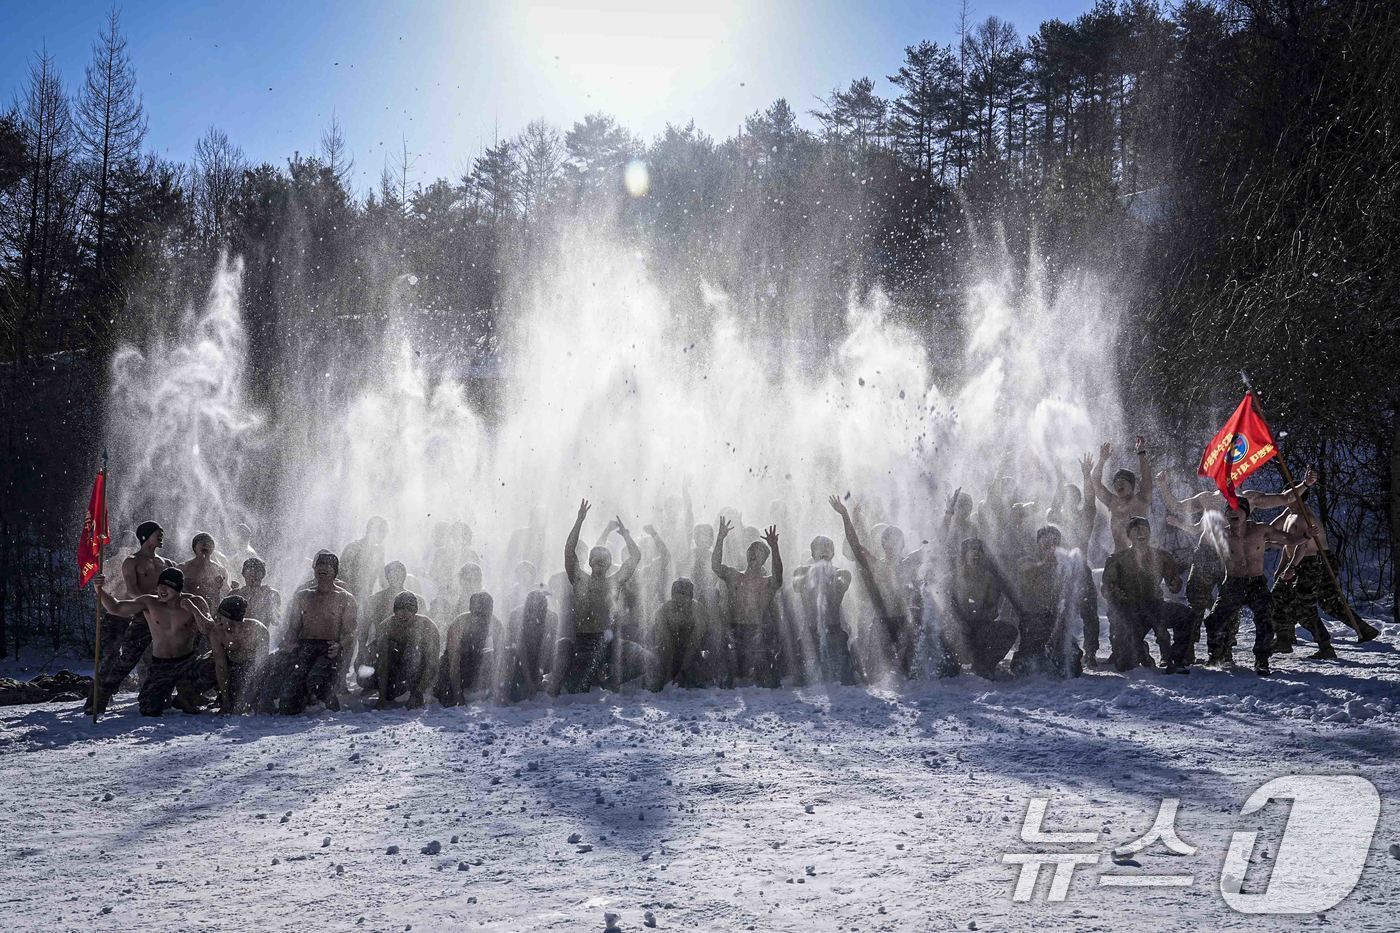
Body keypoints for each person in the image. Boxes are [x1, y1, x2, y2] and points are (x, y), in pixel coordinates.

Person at [1194, 499, 1316, 675]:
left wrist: (1306, 535)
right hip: (1233, 583)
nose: (1233, 513)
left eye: (1238, 510)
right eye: (1230, 510)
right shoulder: (1222, 533)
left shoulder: (1260, 529)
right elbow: (1200, 539)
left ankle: (1261, 660)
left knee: (1265, 619)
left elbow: (1288, 539)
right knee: (1214, 620)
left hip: (1256, 582)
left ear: (1246, 513)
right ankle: (1217, 656)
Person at [91, 567, 216, 716]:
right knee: (149, 709)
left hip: (187, 663)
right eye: (160, 585)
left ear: (178, 589)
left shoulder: (194, 601)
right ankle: (171, 694)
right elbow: (115, 608)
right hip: (161, 666)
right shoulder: (149, 602)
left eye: (167, 586)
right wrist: (99, 590)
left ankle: (187, 694)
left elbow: (209, 629)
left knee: (215, 665)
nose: (161, 589)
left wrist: (194, 610)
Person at [88, 520, 176, 715]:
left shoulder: (168, 564)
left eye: (162, 533)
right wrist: (153, 602)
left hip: (164, 619)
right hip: (143, 616)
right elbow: (133, 591)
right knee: (126, 660)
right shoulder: (132, 561)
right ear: (145, 536)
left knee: (162, 660)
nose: (161, 536)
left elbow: (177, 589)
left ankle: (159, 697)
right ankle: (99, 698)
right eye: (157, 533)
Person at [1271, 502, 1379, 656]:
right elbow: (1274, 529)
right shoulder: (1289, 513)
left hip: (1319, 559)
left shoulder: (1305, 517)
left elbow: (1302, 544)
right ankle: (1286, 636)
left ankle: (1358, 630)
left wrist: (1291, 566)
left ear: (1296, 497)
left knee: (1323, 602)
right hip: (1299, 561)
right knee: (1285, 596)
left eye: (1288, 495)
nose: (1284, 498)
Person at [559, 500, 642, 693]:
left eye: (604, 561)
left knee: (646, 659)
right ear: (589, 562)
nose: (600, 564)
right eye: (596, 560)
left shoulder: (614, 582)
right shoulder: (579, 579)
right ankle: (595, 674)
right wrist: (579, 521)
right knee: (579, 686)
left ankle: (610, 678)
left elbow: (635, 557)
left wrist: (627, 536)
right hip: (585, 641)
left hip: (608, 641)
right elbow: (569, 550)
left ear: (609, 564)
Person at [829, 495, 915, 677]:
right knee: (874, 675)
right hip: (882, 623)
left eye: (897, 540)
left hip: (904, 624)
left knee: (909, 674)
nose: (892, 544)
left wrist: (948, 514)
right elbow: (854, 544)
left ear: (903, 544)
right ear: (883, 544)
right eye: (889, 540)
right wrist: (845, 515)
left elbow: (937, 548)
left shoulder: (908, 564)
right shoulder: (876, 566)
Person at [1099, 517, 1193, 674]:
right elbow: (1105, 588)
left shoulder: (1162, 557)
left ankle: (1177, 658)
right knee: (1124, 664)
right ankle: (1140, 650)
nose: (1141, 532)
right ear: (1129, 535)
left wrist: (1175, 583)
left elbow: (1175, 585)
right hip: (1129, 610)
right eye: (1136, 529)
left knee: (1186, 614)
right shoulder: (1117, 560)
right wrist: (1115, 592)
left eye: (1144, 528)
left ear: (1149, 532)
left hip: (1155, 606)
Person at [278, 551, 357, 713]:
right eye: (319, 565)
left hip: (328, 649)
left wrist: (339, 645)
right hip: (305, 647)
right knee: (287, 703)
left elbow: (350, 633)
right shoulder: (302, 596)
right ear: (314, 570)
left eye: (327, 565)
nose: (322, 568)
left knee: (315, 680)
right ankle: (304, 697)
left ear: (335, 571)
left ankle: (330, 703)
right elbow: (293, 628)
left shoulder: (345, 598)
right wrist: (288, 643)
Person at [712, 518, 783, 687]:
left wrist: (775, 548)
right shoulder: (734, 576)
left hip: (756, 631)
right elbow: (715, 566)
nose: (753, 553)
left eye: (758, 551)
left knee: (767, 679)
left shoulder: (767, 583)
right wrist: (720, 538)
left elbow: (779, 576)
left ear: (764, 558)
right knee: (725, 678)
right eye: (751, 550)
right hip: (734, 629)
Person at [942, 538, 1021, 679]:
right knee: (943, 633)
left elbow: (992, 609)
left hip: (981, 628)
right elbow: (947, 606)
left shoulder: (989, 578)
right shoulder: (953, 577)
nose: (975, 552)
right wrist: (960, 622)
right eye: (972, 549)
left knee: (1009, 631)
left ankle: (984, 665)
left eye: (978, 549)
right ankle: (952, 668)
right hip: (960, 630)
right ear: (964, 554)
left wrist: (987, 614)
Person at [1013, 526, 1082, 677]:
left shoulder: (1066, 564)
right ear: (1038, 542)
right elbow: (1026, 573)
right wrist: (1046, 563)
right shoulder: (1027, 560)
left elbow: (1083, 598)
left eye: (1054, 539)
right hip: (1034, 622)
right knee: (1024, 667)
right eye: (1046, 539)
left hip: (1057, 623)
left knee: (1073, 663)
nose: (1051, 542)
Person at [791, 535, 855, 685]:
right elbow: (796, 586)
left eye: (828, 547)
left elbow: (841, 584)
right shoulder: (800, 571)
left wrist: (826, 575)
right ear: (812, 553)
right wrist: (815, 574)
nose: (824, 550)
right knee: (802, 683)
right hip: (810, 633)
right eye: (820, 547)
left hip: (834, 631)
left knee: (846, 680)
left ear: (833, 553)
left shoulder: (842, 573)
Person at [200, 594, 271, 713]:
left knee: (261, 706)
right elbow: (221, 667)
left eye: (221, 617)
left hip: (250, 669)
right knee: (205, 666)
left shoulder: (258, 631)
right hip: (231, 667)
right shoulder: (217, 633)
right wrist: (225, 700)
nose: (217, 620)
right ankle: (220, 695)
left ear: (233, 619)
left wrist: (252, 696)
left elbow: (261, 667)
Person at [375, 592, 440, 709]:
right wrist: (382, 696)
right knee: (366, 676)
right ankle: (393, 689)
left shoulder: (428, 627)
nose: (403, 615)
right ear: (394, 611)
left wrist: (418, 693)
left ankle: (415, 691)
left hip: (422, 670)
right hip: (398, 669)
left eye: (408, 610)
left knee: (413, 652)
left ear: (415, 611)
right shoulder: (386, 627)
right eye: (400, 610)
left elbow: (432, 664)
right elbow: (382, 663)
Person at [1089, 440, 1155, 552]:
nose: (1118, 484)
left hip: (1140, 556)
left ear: (1132, 486)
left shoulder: (1141, 499)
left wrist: (1141, 453)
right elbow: (1095, 482)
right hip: (1119, 556)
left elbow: (1147, 479)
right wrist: (1102, 460)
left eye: (1123, 481)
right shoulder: (1113, 502)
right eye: (1116, 483)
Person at [651, 577, 712, 689]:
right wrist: (668, 672)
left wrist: (683, 670)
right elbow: (665, 642)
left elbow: (694, 642)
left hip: (692, 650)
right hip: (671, 649)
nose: (680, 601)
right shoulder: (663, 611)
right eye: (676, 596)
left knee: (695, 677)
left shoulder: (698, 610)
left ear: (690, 597)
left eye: (684, 596)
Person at [439, 591, 498, 705]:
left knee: (494, 654)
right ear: (471, 610)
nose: (481, 618)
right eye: (478, 614)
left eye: (485, 614)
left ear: (491, 611)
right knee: (446, 697)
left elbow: (500, 657)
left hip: (475, 662)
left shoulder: (495, 624)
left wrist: (499, 688)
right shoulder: (459, 624)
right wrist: (457, 693)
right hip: (455, 665)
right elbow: (453, 662)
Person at [501, 589, 555, 701]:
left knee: (560, 648)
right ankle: (504, 688)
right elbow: (520, 649)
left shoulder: (551, 618)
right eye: (531, 610)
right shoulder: (516, 616)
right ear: (526, 607)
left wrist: (538, 676)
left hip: (541, 658)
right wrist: (529, 682)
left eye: (540, 610)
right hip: (519, 659)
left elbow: (548, 648)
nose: (535, 615)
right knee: (509, 653)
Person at [340, 516, 388, 603]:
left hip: (367, 599)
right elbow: (341, 574)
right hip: (348, 598)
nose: (384, 535)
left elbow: (382, 580)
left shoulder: (379, 552)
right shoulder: (353, 548)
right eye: (382, 531)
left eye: (385, 532)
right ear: (371, 530)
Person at [236, 557, 282, 636]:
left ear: (263, 575)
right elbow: (224, 622)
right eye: (250, 574)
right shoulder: (236, 594)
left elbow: (276, 621)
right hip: (238, 638)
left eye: (256, 574)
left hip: (260, 638)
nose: (253, 577)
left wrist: (269, 602)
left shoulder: (271, 594)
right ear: (243, 574)